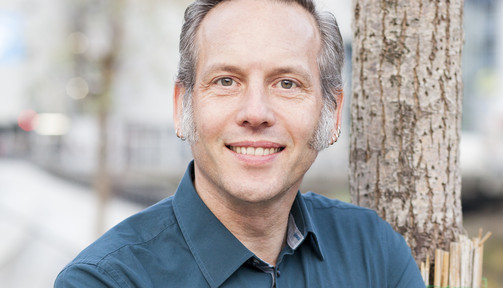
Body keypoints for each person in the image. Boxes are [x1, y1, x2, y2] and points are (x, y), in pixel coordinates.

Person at [55, 0, 425, 287]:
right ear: (182, 107)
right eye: (226, 81)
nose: (255, 112)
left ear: (332, 113)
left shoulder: (373, 252)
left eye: (287, 83)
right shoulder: (106, 282)